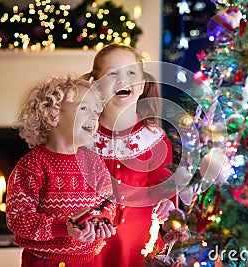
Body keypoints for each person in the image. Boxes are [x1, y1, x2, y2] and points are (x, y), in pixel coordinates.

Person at [6, 75, 116, 267]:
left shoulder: (94, 163)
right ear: (52, 116)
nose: (93, 117)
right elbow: (18, 219)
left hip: (88, 260)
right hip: (45, 262)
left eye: (96, 112)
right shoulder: (32, 166)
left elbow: (108, 201)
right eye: (84, 108)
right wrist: (63, 228)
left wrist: (103, 221)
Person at [82, 43, 176, 267]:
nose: (122, 80)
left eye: (131, 73)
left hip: (138, 244)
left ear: (142, 84)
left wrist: (167, 204)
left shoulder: (154, 138)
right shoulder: (82, 138)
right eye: (112, 74)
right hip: (90, 245)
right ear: (96, 85)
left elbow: (164, 188)